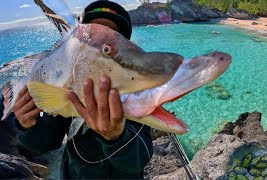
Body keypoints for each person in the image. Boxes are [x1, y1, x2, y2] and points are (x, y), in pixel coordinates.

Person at [1, 1, 153, 179]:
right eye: (93, 36)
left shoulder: (136, 93)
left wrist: (115, 137)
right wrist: (26, 125)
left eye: (108, 42)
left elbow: (138, 160)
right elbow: (46, 143)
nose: (97, 46)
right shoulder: (67, 83)